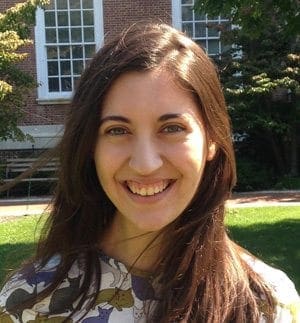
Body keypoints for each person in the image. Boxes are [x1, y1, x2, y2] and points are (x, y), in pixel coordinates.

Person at [0, 22, 299, 323]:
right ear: (90, 146)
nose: (145, 164)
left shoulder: (268, 305)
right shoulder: (30, 303)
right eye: (117, 130)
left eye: (172, 128)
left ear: (212, 140)